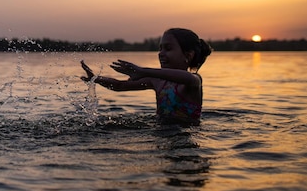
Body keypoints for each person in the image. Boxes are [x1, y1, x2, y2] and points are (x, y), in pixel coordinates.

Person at [81, 28, 212, 125]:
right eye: (160, 48)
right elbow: (119, 85)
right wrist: (96, 79)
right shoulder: (157, 81)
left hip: (186, 133)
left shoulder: (194, 80)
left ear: (188, 56)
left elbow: (187, 77)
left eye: (168, 48)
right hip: (161, 131)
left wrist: (144, 71)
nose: (161, 53)